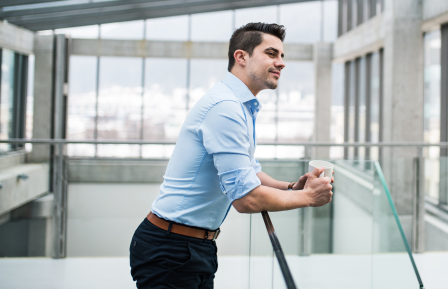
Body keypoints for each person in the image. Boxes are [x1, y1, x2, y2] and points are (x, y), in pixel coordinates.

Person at [129, 22, 334, 289]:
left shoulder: (239, 105)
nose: (281, 63)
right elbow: (246, 199)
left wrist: (292, 187)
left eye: (282, 56)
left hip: (192, 246)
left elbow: (249, 172)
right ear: (241, 57)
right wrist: (306, 197)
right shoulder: (225, 108)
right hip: (171, 249)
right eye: (272, 54)